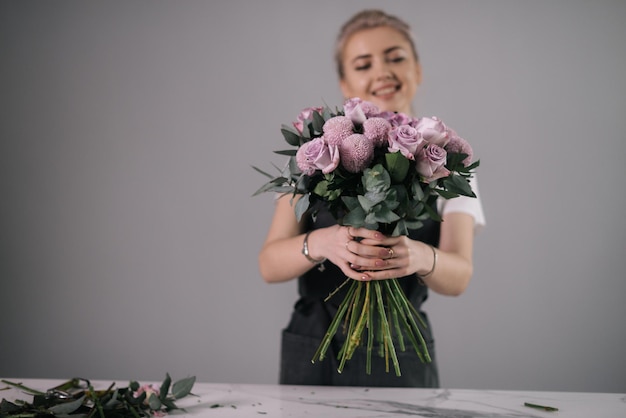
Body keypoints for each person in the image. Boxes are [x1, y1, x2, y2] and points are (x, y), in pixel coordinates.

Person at [258, 9, 485, 387]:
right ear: (345, 82)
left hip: (400, 348)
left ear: (418, 69)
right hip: (314, 348)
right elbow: (269, 264)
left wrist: (419, 256)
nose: (382, 72)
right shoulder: (315, 154)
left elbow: (459, 275)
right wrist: (321, 242)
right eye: (364, 64)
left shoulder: (449, 165)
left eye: (396, 57)